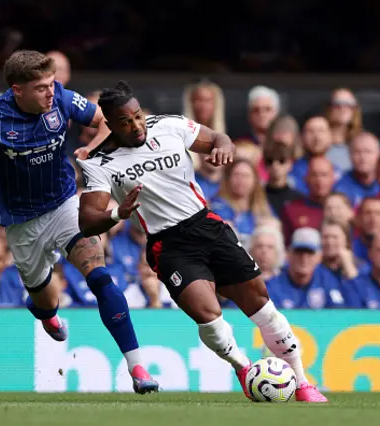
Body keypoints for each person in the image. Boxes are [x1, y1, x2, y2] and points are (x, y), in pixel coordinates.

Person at [76, 80, 327, 403]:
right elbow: (87, 220)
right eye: (125, 121)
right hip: (168, 245)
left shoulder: (169, 125)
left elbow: (219, 138)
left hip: (207, 227)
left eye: (137, 115)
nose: (136, 125)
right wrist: (117, 214)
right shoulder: (100, 163)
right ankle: (244, 368)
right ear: (110, 125)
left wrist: (224, 147)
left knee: (261, 306)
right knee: (207, 313)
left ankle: (304, 383)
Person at [0, 51, 158, 394]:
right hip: (21, 222)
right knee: (45, 298)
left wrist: (91, 151)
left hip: (64, 205)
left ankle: (138, 368)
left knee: (100, 277)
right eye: (41, 87)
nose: (50, 92)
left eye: (51, 84)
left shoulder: (63, 98)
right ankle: (45, 310)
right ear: (17, 90)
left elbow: (103, 120)